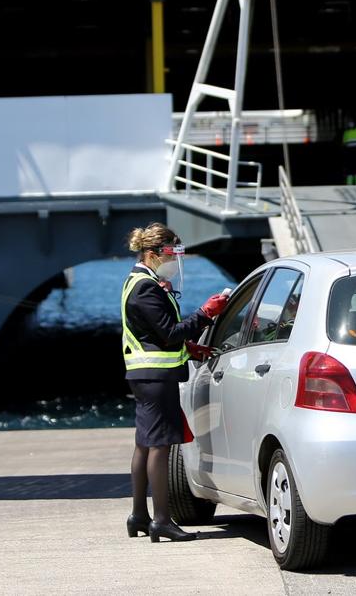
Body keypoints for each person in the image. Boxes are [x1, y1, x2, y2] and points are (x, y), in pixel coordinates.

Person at [122, 223, 228, 542]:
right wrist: (206, 313)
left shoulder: (139, 281)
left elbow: (155, 334)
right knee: (160, 446)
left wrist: (190, 348)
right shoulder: (146, 287)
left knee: (144, 443)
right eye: (171, 254)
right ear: (152, 254)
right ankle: (162, 520)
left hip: (145, 375)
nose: (174, 261)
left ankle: (139, 516)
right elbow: (169, 333)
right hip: (157, 377)